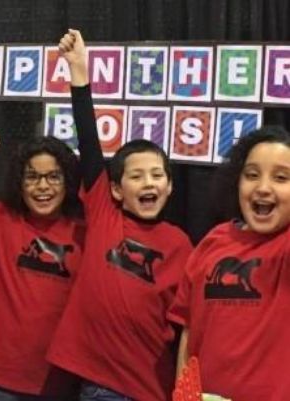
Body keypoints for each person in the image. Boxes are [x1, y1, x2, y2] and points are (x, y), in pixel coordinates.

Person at [46, 30, 193, 401]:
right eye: (137, 176)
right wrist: (79, 71)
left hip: (152, 388)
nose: (149, 182)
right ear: (115, 189)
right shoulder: (104, 213)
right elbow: (89, 141)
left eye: (157, 175)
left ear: (170, 187)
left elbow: (189, 325)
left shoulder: (181, 244)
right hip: (101, 387)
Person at [0, 130, 85, 400]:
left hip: (58, 382)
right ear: (19, 183)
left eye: (53, 177)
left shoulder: (85, 233)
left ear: (67, 182)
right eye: (32, 177)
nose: (42, 186)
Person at [168, 125, 290, 401]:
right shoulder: (213, 241)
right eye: (252, 175)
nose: (263, 187)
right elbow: (189, 331)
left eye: (281, 177)